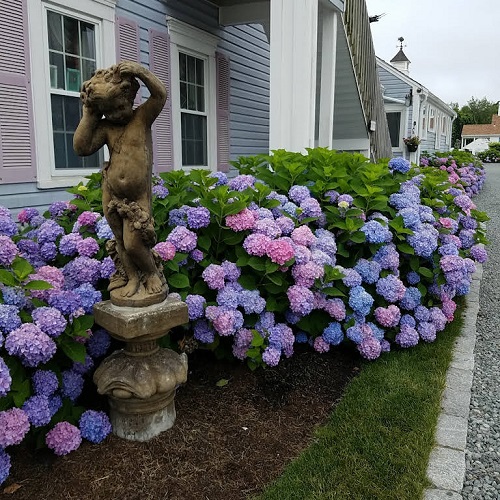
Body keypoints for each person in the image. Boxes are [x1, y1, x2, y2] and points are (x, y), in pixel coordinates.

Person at [74, 61, 167, 306]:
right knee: (120, 241)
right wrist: (89, 114)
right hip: (111, 194)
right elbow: (81, 147)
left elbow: (160, 95)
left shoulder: (142, 118)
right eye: (109, 111)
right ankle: (133, 278)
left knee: (134, 242)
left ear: (130, 97)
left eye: (120, 107)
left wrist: (141, 72)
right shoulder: (106, 128)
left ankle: (151, 274)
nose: (117, 114)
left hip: (137, 197)